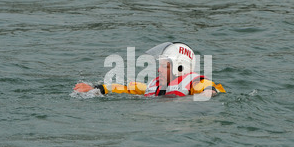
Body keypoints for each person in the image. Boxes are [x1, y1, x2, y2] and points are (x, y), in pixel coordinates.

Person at [73, 42, 225, 97]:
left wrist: (210, 92)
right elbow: (128, 88)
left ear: (180, 67)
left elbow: (207, 86)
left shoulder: (193, 82)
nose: (158, 70)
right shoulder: (154, 85)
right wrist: (97, 88)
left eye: (164, 65)